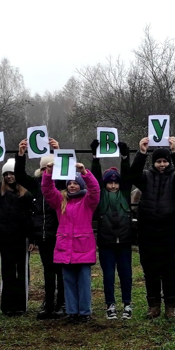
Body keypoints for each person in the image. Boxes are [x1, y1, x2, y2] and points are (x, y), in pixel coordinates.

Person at [41, 138, 100, 323]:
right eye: (69, 183)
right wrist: (48, 173)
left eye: (76, 183)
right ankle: (72, 311)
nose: (72, 185)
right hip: (65, 247)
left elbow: (96, 190)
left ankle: (85, 312)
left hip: (83, 248)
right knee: (68, 282)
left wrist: (85, 173)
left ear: (81, 185)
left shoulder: (88, 202)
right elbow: (47, 190)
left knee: (83, 282)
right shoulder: (61, 202)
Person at [130, 136, 175, 319]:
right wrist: (141, 152)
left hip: (170, 230)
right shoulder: (146, 177)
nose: (161, 164)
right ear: (154, 163)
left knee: (170, 268)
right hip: (148, 230)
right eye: (158, 161)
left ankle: (171, 305)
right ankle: (153, 305)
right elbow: (133, 174)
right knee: (150, 269)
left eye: (164, 161)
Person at [13, 141, 66, 321]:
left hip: (59, 234)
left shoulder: (61, 183)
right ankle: (49, 302)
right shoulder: (36, 185)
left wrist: (58, 151)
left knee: (61, 270)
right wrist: (21, 154)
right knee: (48, 270)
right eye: (44, 169)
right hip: (43, 235)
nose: (46, 172)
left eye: (50, 168)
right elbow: (19, 175)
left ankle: (62, 303)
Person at [91, 139, 136, 320]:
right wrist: (95, 158)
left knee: (126, 275)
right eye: (109, 183)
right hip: (106, 243)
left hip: (124, 242)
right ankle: (110, 304)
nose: (113, 185)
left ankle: (127, 304)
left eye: (115, 183)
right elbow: (94, 178)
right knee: (108, 275)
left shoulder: (125, 193)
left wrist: (125, 157)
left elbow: (127, 176)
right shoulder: (101, 196)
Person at [0, 155, 35, 316]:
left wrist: (32, 238)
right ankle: (7, 305)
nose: (9, 176)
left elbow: (31, 218)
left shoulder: (26, 195)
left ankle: (21, 304)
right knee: (7, 270)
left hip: (21, 238)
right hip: (4, 238)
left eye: (12, 173)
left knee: (22, 270)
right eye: (6, 174)